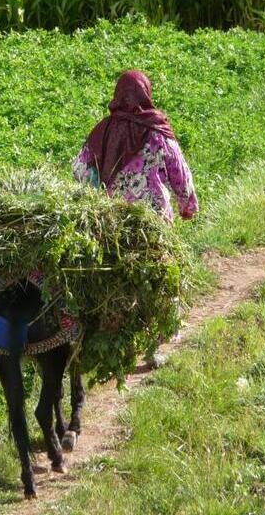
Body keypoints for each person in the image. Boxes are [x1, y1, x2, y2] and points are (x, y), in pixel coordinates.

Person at [73, 70, 198, 368]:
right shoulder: (156, 132)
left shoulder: (101, 132)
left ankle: (116, 348)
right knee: (161, 279)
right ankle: (154, 348)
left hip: (112, 221)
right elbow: (179, 172)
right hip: (153, 223)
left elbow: (80, 169)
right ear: (146, 94)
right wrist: (187, 204)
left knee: (118, 279)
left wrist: (96, 194)